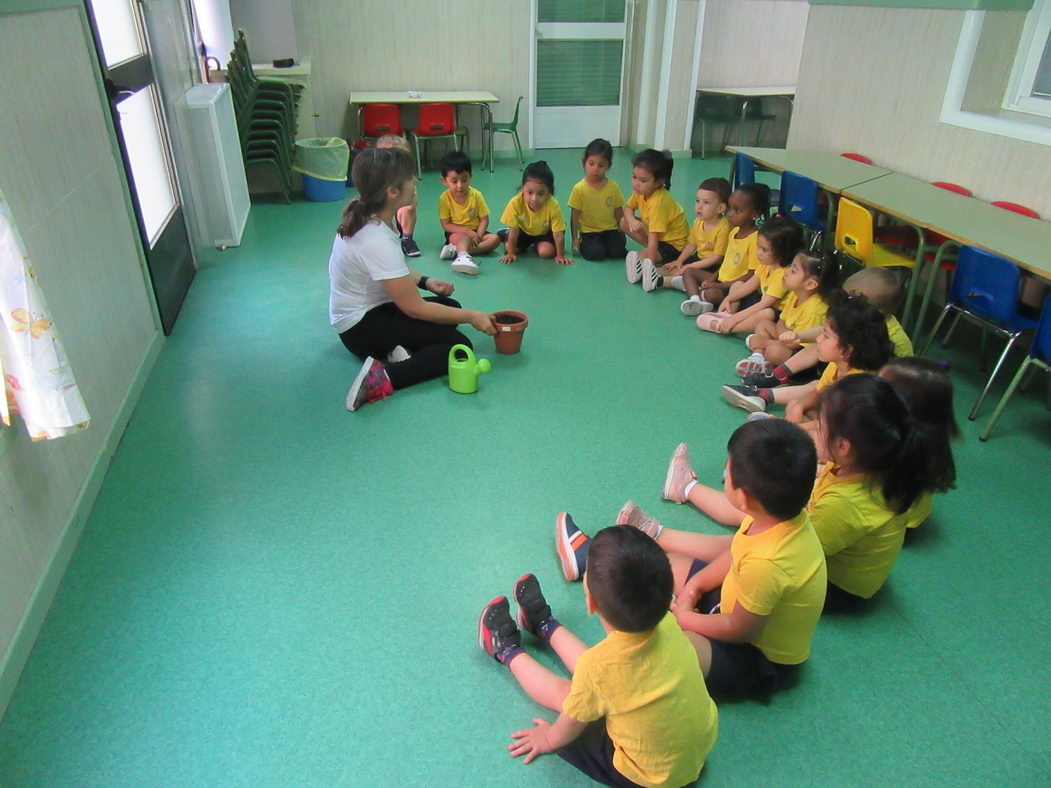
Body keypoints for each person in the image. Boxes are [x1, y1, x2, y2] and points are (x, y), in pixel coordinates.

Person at [557, 420, 826, 700]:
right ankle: (598, 564)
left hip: (756, 656)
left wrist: (685, 619)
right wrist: (695, 586)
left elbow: (740, 629)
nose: (724, 472)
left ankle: (592, 564)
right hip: (736, 602)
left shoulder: (768, 564)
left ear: (744, 497)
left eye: (728, 470)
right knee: (665, 565)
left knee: (668, 648)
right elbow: (736, 554)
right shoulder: (777, 518)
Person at [481, 527, 717, 787]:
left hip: (651, 777)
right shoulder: (669, 623)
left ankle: (506, 650)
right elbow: (604, 670)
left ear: (591, 603)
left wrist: (548, 739)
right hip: (693, 754)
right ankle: (543, 625)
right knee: (601, 675)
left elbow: (568, 725)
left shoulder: (598, 668)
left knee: (571, 695)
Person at [330, 147, 496, 411]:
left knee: (450, 308)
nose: (416, 181)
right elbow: (415, 308)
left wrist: (425, 281)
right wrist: (473, 316)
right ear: (392, 192)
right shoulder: (375, 238)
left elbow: (387, 271)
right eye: (410, 177)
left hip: (373, 309)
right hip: (360, 327)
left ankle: (397, 349)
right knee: (459, 346)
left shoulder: (373, 216)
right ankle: (381, 377)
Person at [721, 291, 894, 424]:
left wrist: (786, 427)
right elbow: (817, 390)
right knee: (798, 405)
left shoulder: (855, 387)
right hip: (833, 423)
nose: (818, 339)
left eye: (826, 336)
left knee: (810, 422)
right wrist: (799, 406)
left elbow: (827, 430)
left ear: (847, 350)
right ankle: (765, 396)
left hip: (844, 435)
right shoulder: (839, 365)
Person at [740, 266, 911, 389]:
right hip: (841, 367)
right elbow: (824, 331)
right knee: (821, 343)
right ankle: (778, 374)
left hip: (863, 386)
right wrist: (798, 336)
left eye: (850, 299)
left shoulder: (888, 336)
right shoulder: (858, 318)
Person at [879, 357, 959, 530]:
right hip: (903, 513)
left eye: (879, 387)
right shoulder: (928, 434)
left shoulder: (895, 444)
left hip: (893, 522)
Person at [735, 252, 839, 379]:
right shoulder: (795, 295)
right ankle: (758, 357)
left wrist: (766, 342)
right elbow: (781, 321)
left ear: (810, 284)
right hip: (788, 340)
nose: (786, 272)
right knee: (764, 325)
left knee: (774, 352)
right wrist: (782, 336)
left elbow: (797, 344)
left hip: (803, 359)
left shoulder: (814, 309)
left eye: (793, 271)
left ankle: (764, 356)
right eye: (790, 267)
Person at [695, 216, 804, 335]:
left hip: (775, 313)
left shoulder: (783, 274)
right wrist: (729, 298)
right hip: (759, 302)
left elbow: (765, 304)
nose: (758, 253)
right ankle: (727, 314)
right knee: (738, 285)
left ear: (782, 252)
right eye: (759, 247)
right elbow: (751, 285)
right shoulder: (767, 264)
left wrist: (735, 320)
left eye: (764, 250)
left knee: (767, 314)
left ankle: (727, 327)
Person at [680, 183, 768, 312]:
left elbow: (751, 275)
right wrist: (713, 277)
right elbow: (726, 263)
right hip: (721, 280)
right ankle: (695, 299)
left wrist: (719, 285)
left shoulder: (755, 239)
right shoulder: (733, 232)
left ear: (754, 214)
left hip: (735, 287)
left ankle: (701, 295)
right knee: (689, 272)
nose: (730, 214)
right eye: (730, 209)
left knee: (711, 294)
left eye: (737, 210)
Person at [642, 177, 731, 298]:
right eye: (697, 201)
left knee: (684, 272)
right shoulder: (698, 222)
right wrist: (680, 260)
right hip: (698, 260)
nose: (699, 206)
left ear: (721, 208)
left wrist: (688, 266)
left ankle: (659, 282)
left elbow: (716, 258)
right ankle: (649, 275)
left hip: (713, 267)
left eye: (706, 202)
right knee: (671, 268)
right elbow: (692, 244)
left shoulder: (723, 228)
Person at [622, 149, 690, 284]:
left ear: (658, 182)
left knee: (639, 259)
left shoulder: (658, 203)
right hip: (658, 236)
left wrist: (649, 263)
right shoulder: (640, 191)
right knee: (624, 222)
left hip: (673, 245)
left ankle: (656, 260)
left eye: (643, 180)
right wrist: (631, 221)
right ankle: (653, 257)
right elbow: (628, 208)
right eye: (634, 177)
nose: (636, 183)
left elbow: (654, 238)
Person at [436, 150, 501, 276]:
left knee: (495, 239)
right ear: (444, 181)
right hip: (456, 232)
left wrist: (479, 235)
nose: (460, 185)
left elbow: (484, 219)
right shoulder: (444, 199)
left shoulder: (476, 195)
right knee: (462, 238)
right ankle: (463, 258)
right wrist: (466, 231)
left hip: (476, 231)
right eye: (454, 181)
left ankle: (458, 252)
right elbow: (446, 225)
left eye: (464, 180)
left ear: (471, 176)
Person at [498, 161, 573, 264]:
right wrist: (511, 253)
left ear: (549, 191)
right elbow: (514, 232)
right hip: (524, 230)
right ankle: (506, 231)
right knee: (508, 248)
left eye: (540, 194)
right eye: (530, 192)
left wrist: (560, 255)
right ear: (522, 187)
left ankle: (537, 244)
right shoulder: (515, 203)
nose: (534, 199)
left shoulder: (553, 205)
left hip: (545, 232)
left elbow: (558, 234)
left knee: (545, 253)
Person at [567, 138, 628, 261]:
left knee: (618, 252)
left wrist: (622, 232)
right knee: (596, 254)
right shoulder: (579, 188)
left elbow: (618, 211)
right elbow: (575, 215)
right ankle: (583, 241)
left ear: (608, 166)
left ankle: (608, 244)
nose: (595, 169)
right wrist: (574, 238)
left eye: (601, 165)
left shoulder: (613, 187)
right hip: (589, 232)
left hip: (610, 229)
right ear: (584, 162)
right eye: (591, 163)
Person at [375, 135, 419, 257]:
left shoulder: (407, 180)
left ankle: (407, 239)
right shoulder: (374, 180)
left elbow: (413, 202)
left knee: (409, 208)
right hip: (381, 222)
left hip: (398, 218)